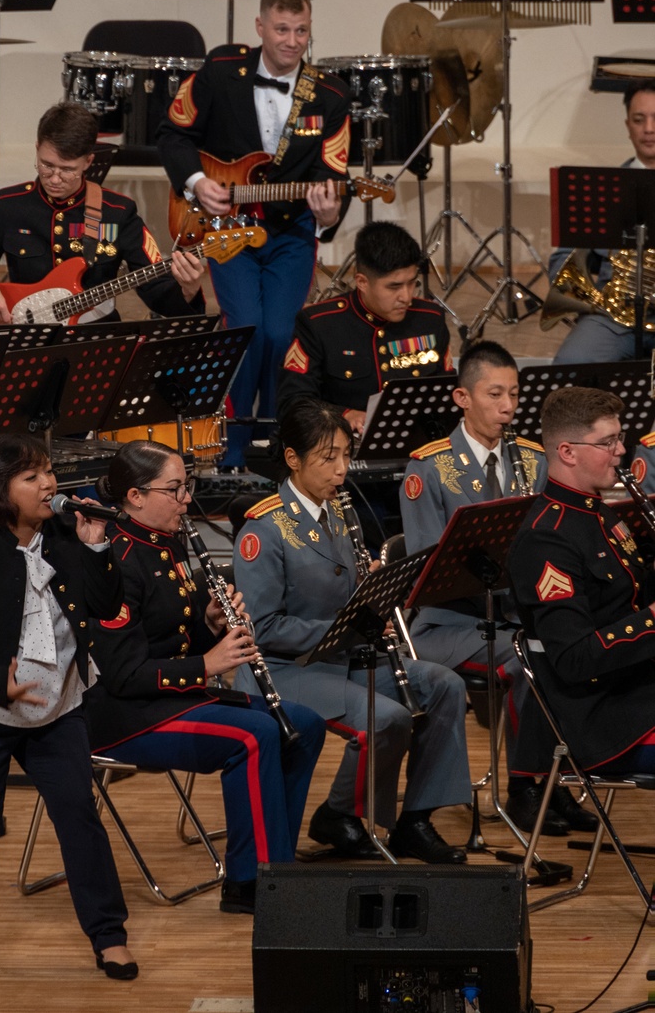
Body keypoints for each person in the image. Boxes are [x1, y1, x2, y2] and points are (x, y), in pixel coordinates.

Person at [0, 433, 137, 978]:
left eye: (48, 472)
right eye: (32, 476)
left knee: (78, 815)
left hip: (58, 708)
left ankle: (109, 934)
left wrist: (96, 547)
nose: (49, 484)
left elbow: (107, 606)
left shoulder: (67, 536)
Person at [85, 440, 326, 914]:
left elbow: (172, 636)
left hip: (172, 698)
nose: (186, 500)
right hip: (126, 715)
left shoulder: (166, 540)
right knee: (255, 736)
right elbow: (123, 673)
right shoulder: (114, 559)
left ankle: (276, 864)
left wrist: (208, 624)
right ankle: (249, 885)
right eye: (174, 490)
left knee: (306, 726)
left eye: (186, 487)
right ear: (134, 496)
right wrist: (209, 664)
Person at [234, 398, 471, 863]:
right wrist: (346, 626)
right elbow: (262, 630)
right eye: (329, 458)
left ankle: (415, 819)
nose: (342, 469)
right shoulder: (263, 529)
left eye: (346, 454)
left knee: (446, 685)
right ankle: (340, 813)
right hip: (288, 669)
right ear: (292, 460)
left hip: (344, 657)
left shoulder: (340, 510)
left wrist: (377, 593)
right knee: (388, 717)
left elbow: (352, 592)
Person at [399, 341, 595, 835]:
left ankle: (556, 786)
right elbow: (429, 573)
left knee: (574, 650)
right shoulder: (427, 468)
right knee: (529, 661)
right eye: (494, 395)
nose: (508, 406)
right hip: (449, 623)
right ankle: (525, 789)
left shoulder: (532, 458)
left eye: (514, 393)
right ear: (462, 398)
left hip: (514, 615)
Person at [156, 0, 353, 468]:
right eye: (282, 29)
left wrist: (329, 216)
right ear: (260, 27)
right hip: (226, 232)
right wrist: (199, 183)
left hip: (290, 234)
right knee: (245, 329)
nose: (292, 40)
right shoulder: (221, 73)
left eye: (301, 30)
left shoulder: (329, 95)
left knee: (281, 333)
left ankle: (272, 446)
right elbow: (173, 135)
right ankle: (230, 451)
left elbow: (333, 174)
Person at [509, 386, 655, 778]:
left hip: (638, 685)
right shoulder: (547, 538)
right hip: (603, 717)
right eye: (607, 442)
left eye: (619, 438)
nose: (621, 451)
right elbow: (574, 660)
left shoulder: (599, 513)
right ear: (567, 452)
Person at [0, 102, 204, 323]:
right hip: (25, 334)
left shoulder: (117, 212)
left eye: (67, 170)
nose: (54, 178)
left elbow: (155, 287)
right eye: (46, 165)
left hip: (94, 336)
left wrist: (188, 290)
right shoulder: (8, 204)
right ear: (37, 148)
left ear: (88, 161)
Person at [276, 221, 453, 436]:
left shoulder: (430, 319)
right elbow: (293, 402)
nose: (406, 297)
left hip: (417, 445)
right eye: (394, 286)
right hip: (342, 449)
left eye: (412, 283)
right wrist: (343, 415)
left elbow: (448, 392)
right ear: (362, 282)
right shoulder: (319, 324)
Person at [550, 79, 655, 364]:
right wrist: (588, 300)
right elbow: (564, 258)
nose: (648, 128)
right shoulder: (601, 189)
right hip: (613, 317)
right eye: (639, 119)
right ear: (627, 126)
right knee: (570, 365)